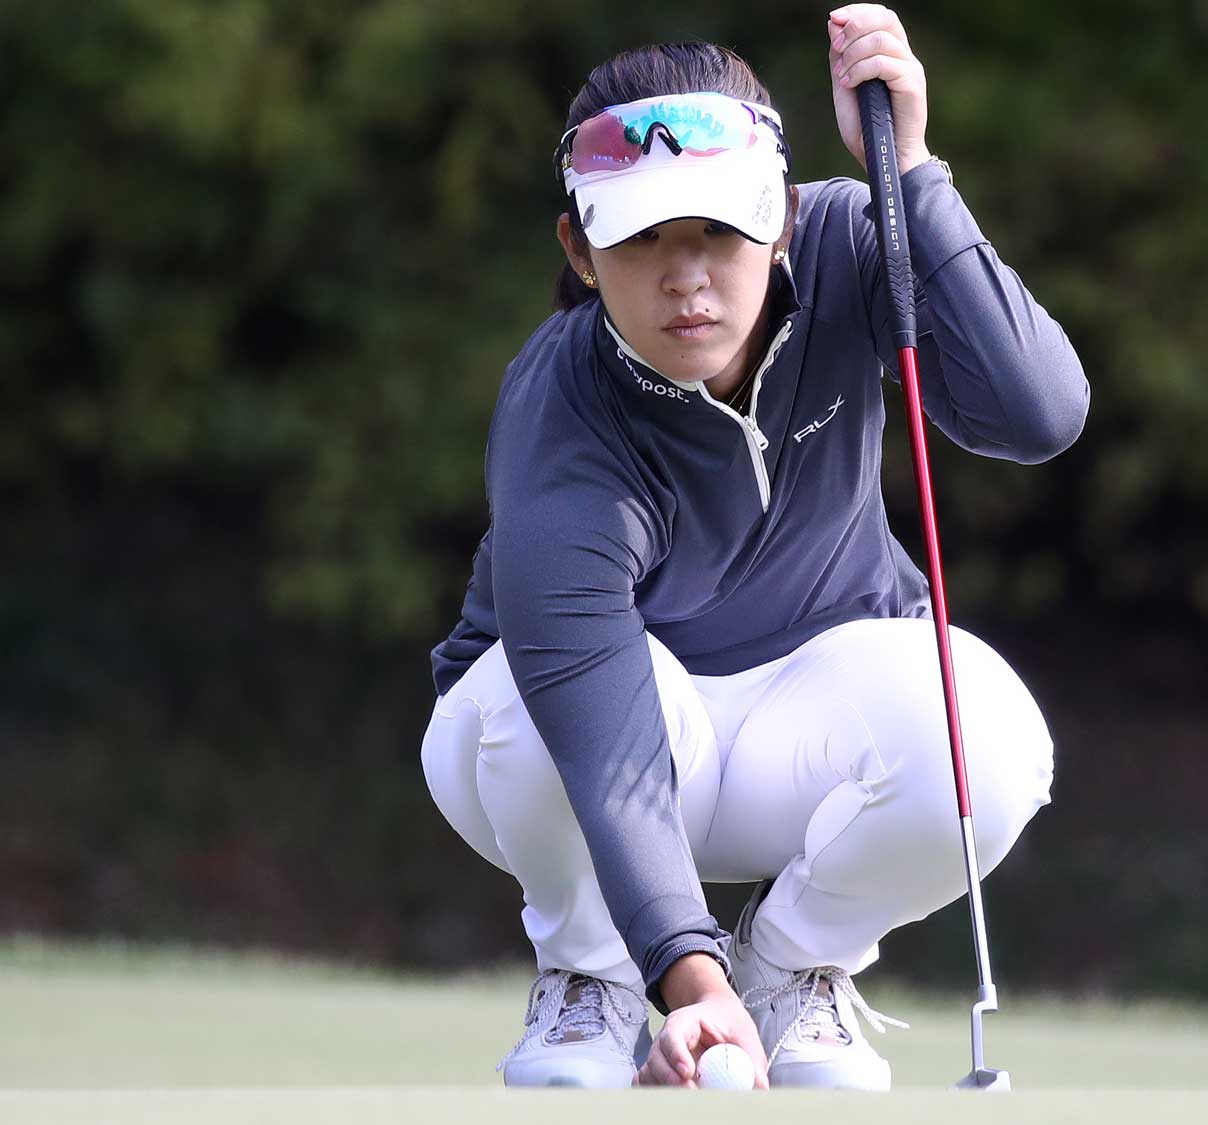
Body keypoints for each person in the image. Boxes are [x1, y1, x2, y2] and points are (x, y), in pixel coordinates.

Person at [418, 5, 1088, 1092]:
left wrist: (910, 176)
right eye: (640, 238)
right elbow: (597, 716)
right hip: (569, 753)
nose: (685, 278)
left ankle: (789, 972)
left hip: (810, 723)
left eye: (718, 233)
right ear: (578, 253)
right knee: (531, 714)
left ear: (778, 222)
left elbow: (1037, 413)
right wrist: (686, 976)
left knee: (987, 744)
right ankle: (590, 977)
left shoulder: (847, 239)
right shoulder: (561, 407)